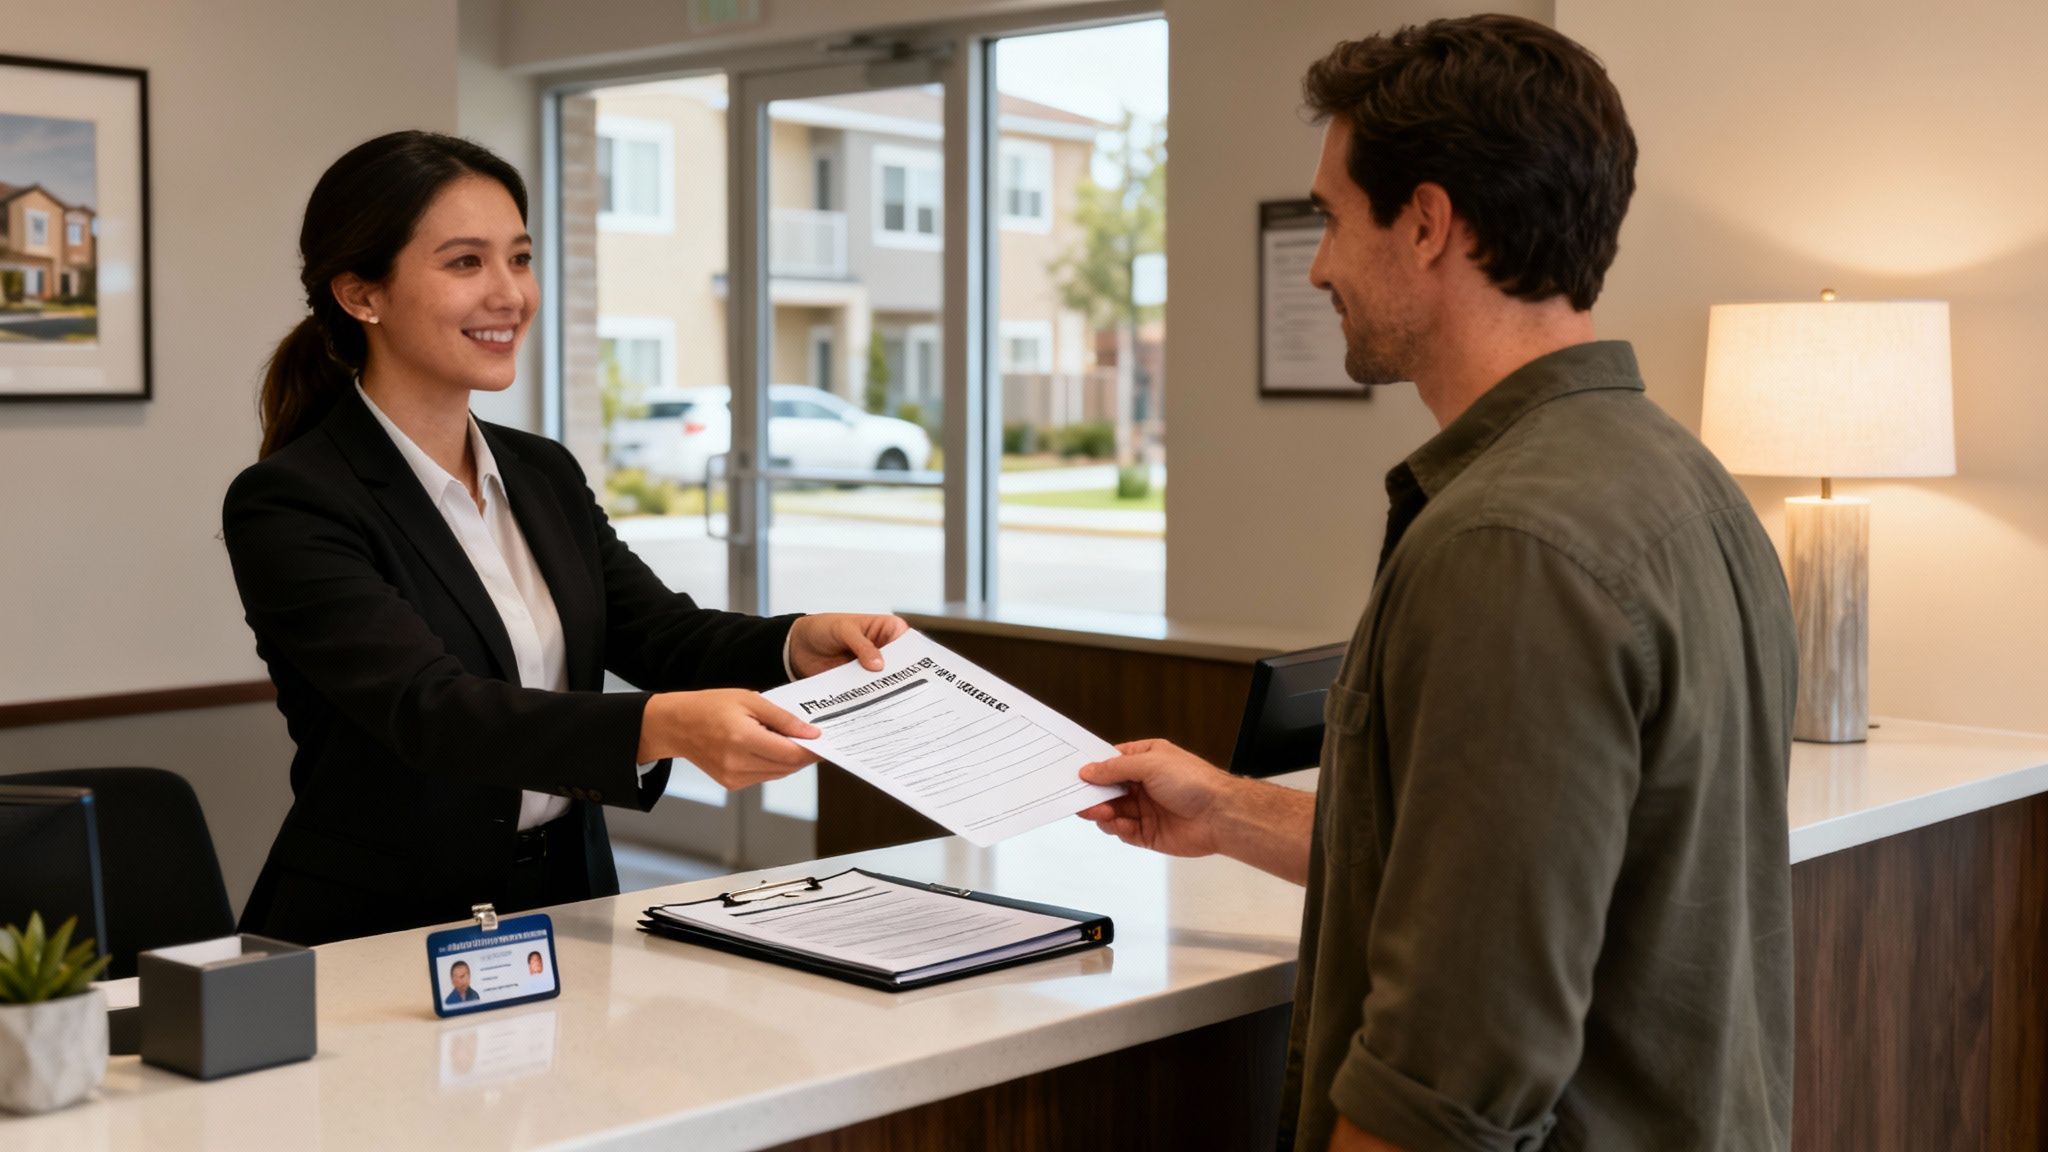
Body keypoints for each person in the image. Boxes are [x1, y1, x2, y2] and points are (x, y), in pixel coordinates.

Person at [1077, 16, 1796, 1152]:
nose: (1314, 265)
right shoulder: (1679, 480)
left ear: (1423, 224)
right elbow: (1512, 861)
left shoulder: (1508, 546)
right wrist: (1234, 812)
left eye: (1329, 217)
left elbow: (1452, 1078)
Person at [225, 131, 907, 947]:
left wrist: (797, 644)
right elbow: (430, 710)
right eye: (465, 263)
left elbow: (658, 631)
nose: (510, 293)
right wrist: (661, 727)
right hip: (381, 925)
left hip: (569, 900)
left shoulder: (540, 471)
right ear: (361, 293)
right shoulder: (292, 502)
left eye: (519, 258)